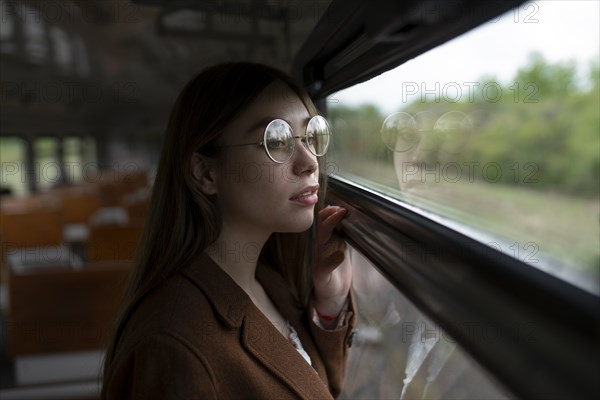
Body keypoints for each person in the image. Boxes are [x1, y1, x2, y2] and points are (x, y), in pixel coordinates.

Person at [100, 62, 355, 399]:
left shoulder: (268, 282)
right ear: (206, 173)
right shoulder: (173, 345)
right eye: (275, 140)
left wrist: (329, 304)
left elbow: (313, 390)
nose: (310, 161)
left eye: (311, 135)